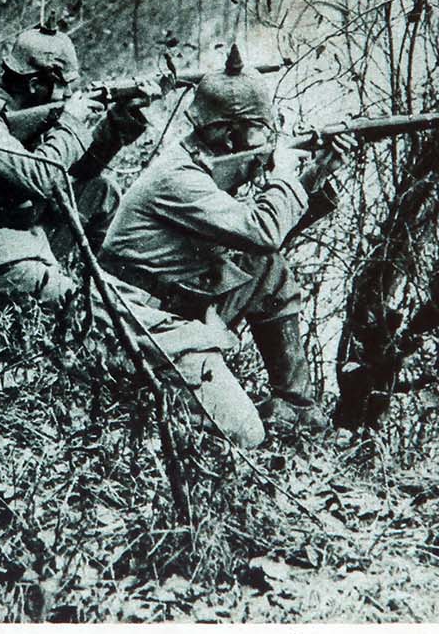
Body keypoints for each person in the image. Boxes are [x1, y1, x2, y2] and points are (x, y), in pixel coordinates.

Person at [96, 46, 343, 448]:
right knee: (246, 432)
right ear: (230, 132)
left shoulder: (201, 160)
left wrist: (312, 175)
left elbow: (261, 242)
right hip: (135, 317)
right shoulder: (180, 178)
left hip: (174, 299)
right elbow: (260, 228)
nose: (269, 138)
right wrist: (285, 176)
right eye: (262, 128)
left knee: (266, 267)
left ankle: (296, 407)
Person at [0, 25, 150, 306]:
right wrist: (71, 122)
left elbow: (76, 172)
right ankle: (110, 305)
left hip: (18, 232)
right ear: (35, 84)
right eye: (64, 85)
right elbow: (42, 177)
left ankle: (103, 282)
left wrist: (118, 121)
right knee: (76, 302)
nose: (68, 93)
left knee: (101, 191)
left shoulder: (24, 113)